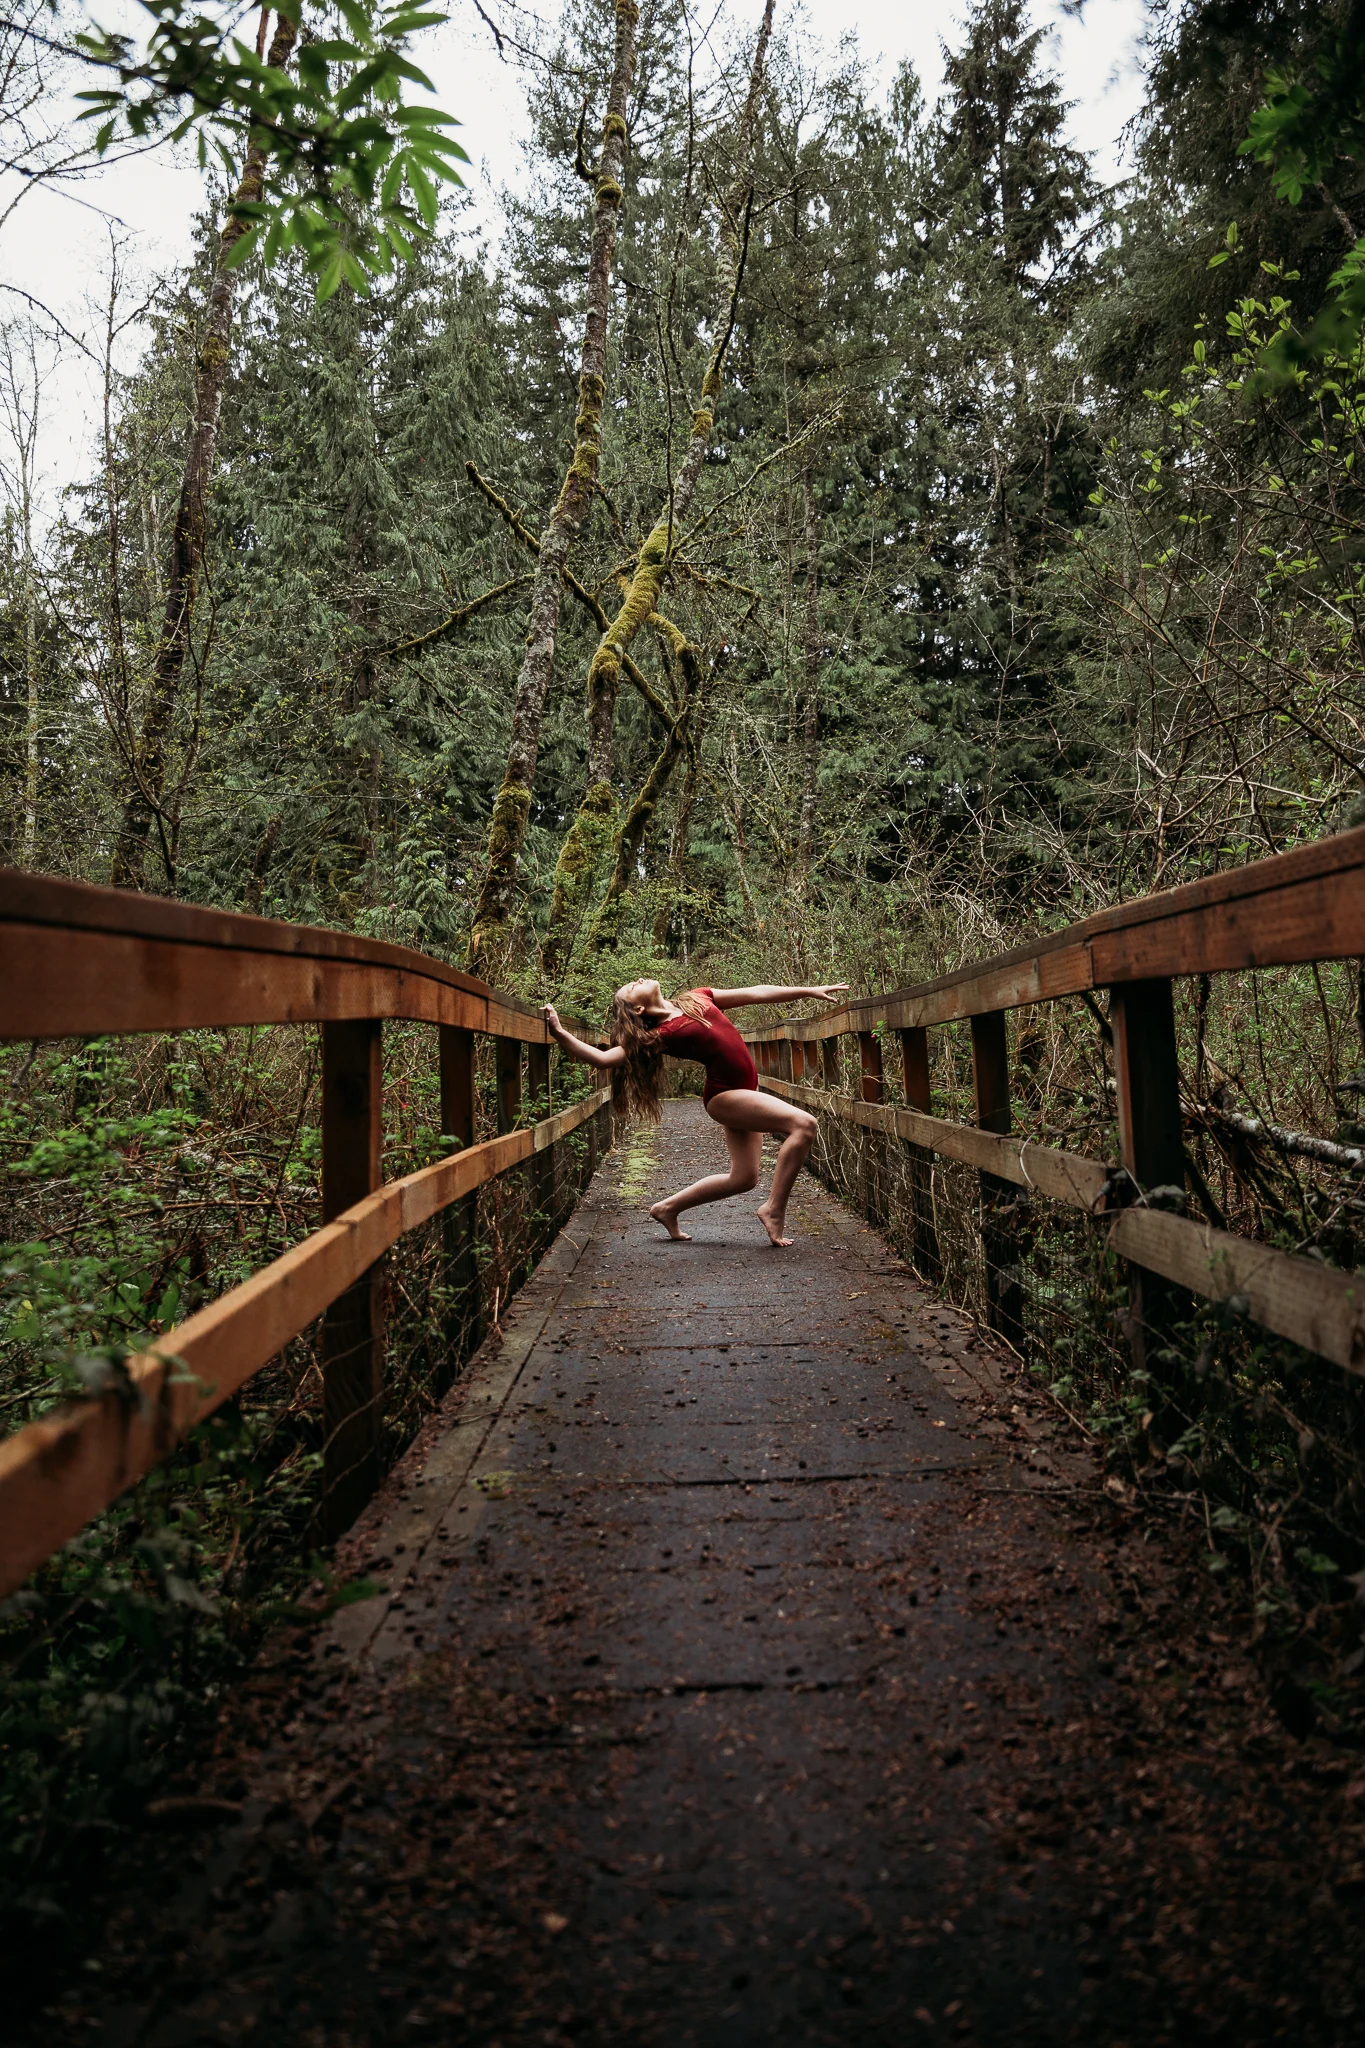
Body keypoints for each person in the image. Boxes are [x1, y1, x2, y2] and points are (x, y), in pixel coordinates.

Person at [542, 979, 849, 1247]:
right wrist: (558, 1032)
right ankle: (773, 1209)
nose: (638, 979)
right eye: (633, 987)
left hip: (745, 1092)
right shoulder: (660, 1034)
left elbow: (756, 992)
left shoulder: (696, 998)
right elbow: (604, 1059)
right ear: (637, 1010)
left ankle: (667, 1208)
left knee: (743, 1178)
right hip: (725, 1097)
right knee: (804, 1125)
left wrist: (808, 991)